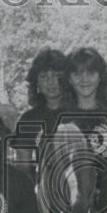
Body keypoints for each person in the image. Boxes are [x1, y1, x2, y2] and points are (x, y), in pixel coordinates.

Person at [12, 48, 68, 180]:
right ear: (36, 82)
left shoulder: (80, 112)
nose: (51, 82)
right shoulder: (28, 119)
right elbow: (23, 166)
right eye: (44, 76)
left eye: (56, 75)